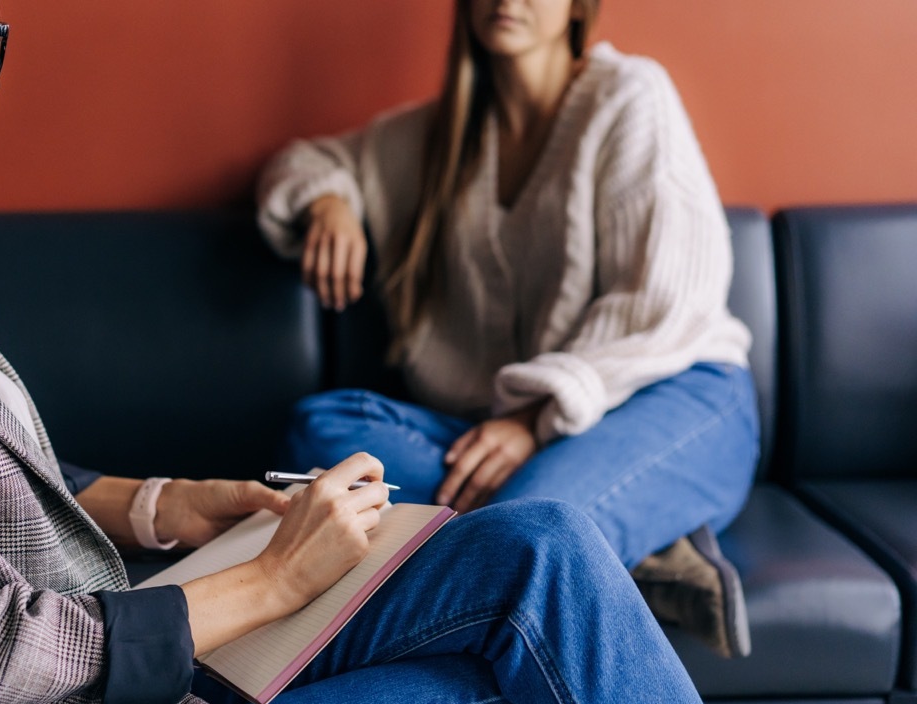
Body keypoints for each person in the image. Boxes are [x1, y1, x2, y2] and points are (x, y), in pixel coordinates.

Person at [0, 0, 748, 704]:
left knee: (548, 547)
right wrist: (271, 583)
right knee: (546, 688)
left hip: (123, 684)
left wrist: (171, 502)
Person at [257, 0, 759, 658]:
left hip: (674, 394)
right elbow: (305, 162)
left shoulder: (629, 96)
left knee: (527, 539)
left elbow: (668, 301)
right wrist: (330, 202)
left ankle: (575, 525)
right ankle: (641, 553)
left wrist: (534, 421)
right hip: (513, 432)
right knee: (321, 435)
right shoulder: (439, 139)